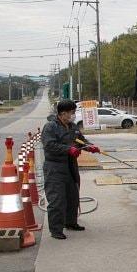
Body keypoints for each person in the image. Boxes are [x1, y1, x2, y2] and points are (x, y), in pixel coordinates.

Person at [41, 99, 100, 239]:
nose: (73, 115)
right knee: (57, 199)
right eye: (72, 112)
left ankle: (71, 222)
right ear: (63, 113)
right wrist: (68, 149)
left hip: (70, 166)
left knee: (72, 196)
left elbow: (81, 140)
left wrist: (89, 146)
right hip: (55, 167)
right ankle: (56, 229)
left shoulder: (72, 126)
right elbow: (49, 145)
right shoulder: (50, 127)